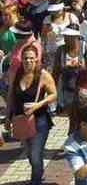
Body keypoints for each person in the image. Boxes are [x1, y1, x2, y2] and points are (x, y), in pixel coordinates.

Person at [6, 45, 57, 185]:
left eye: (31, 58)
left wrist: (39, 104)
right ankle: (38, 171)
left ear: (36, 60)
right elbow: (11, 96)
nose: (28, 61)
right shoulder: (16, 74)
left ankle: (36, 181)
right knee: (29, 153)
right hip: (21, 120)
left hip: (39, 121)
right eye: (25, 58)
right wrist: (7, 117)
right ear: (21, 59)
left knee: (35, 155)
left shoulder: (43, 75)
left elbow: (54, 94)